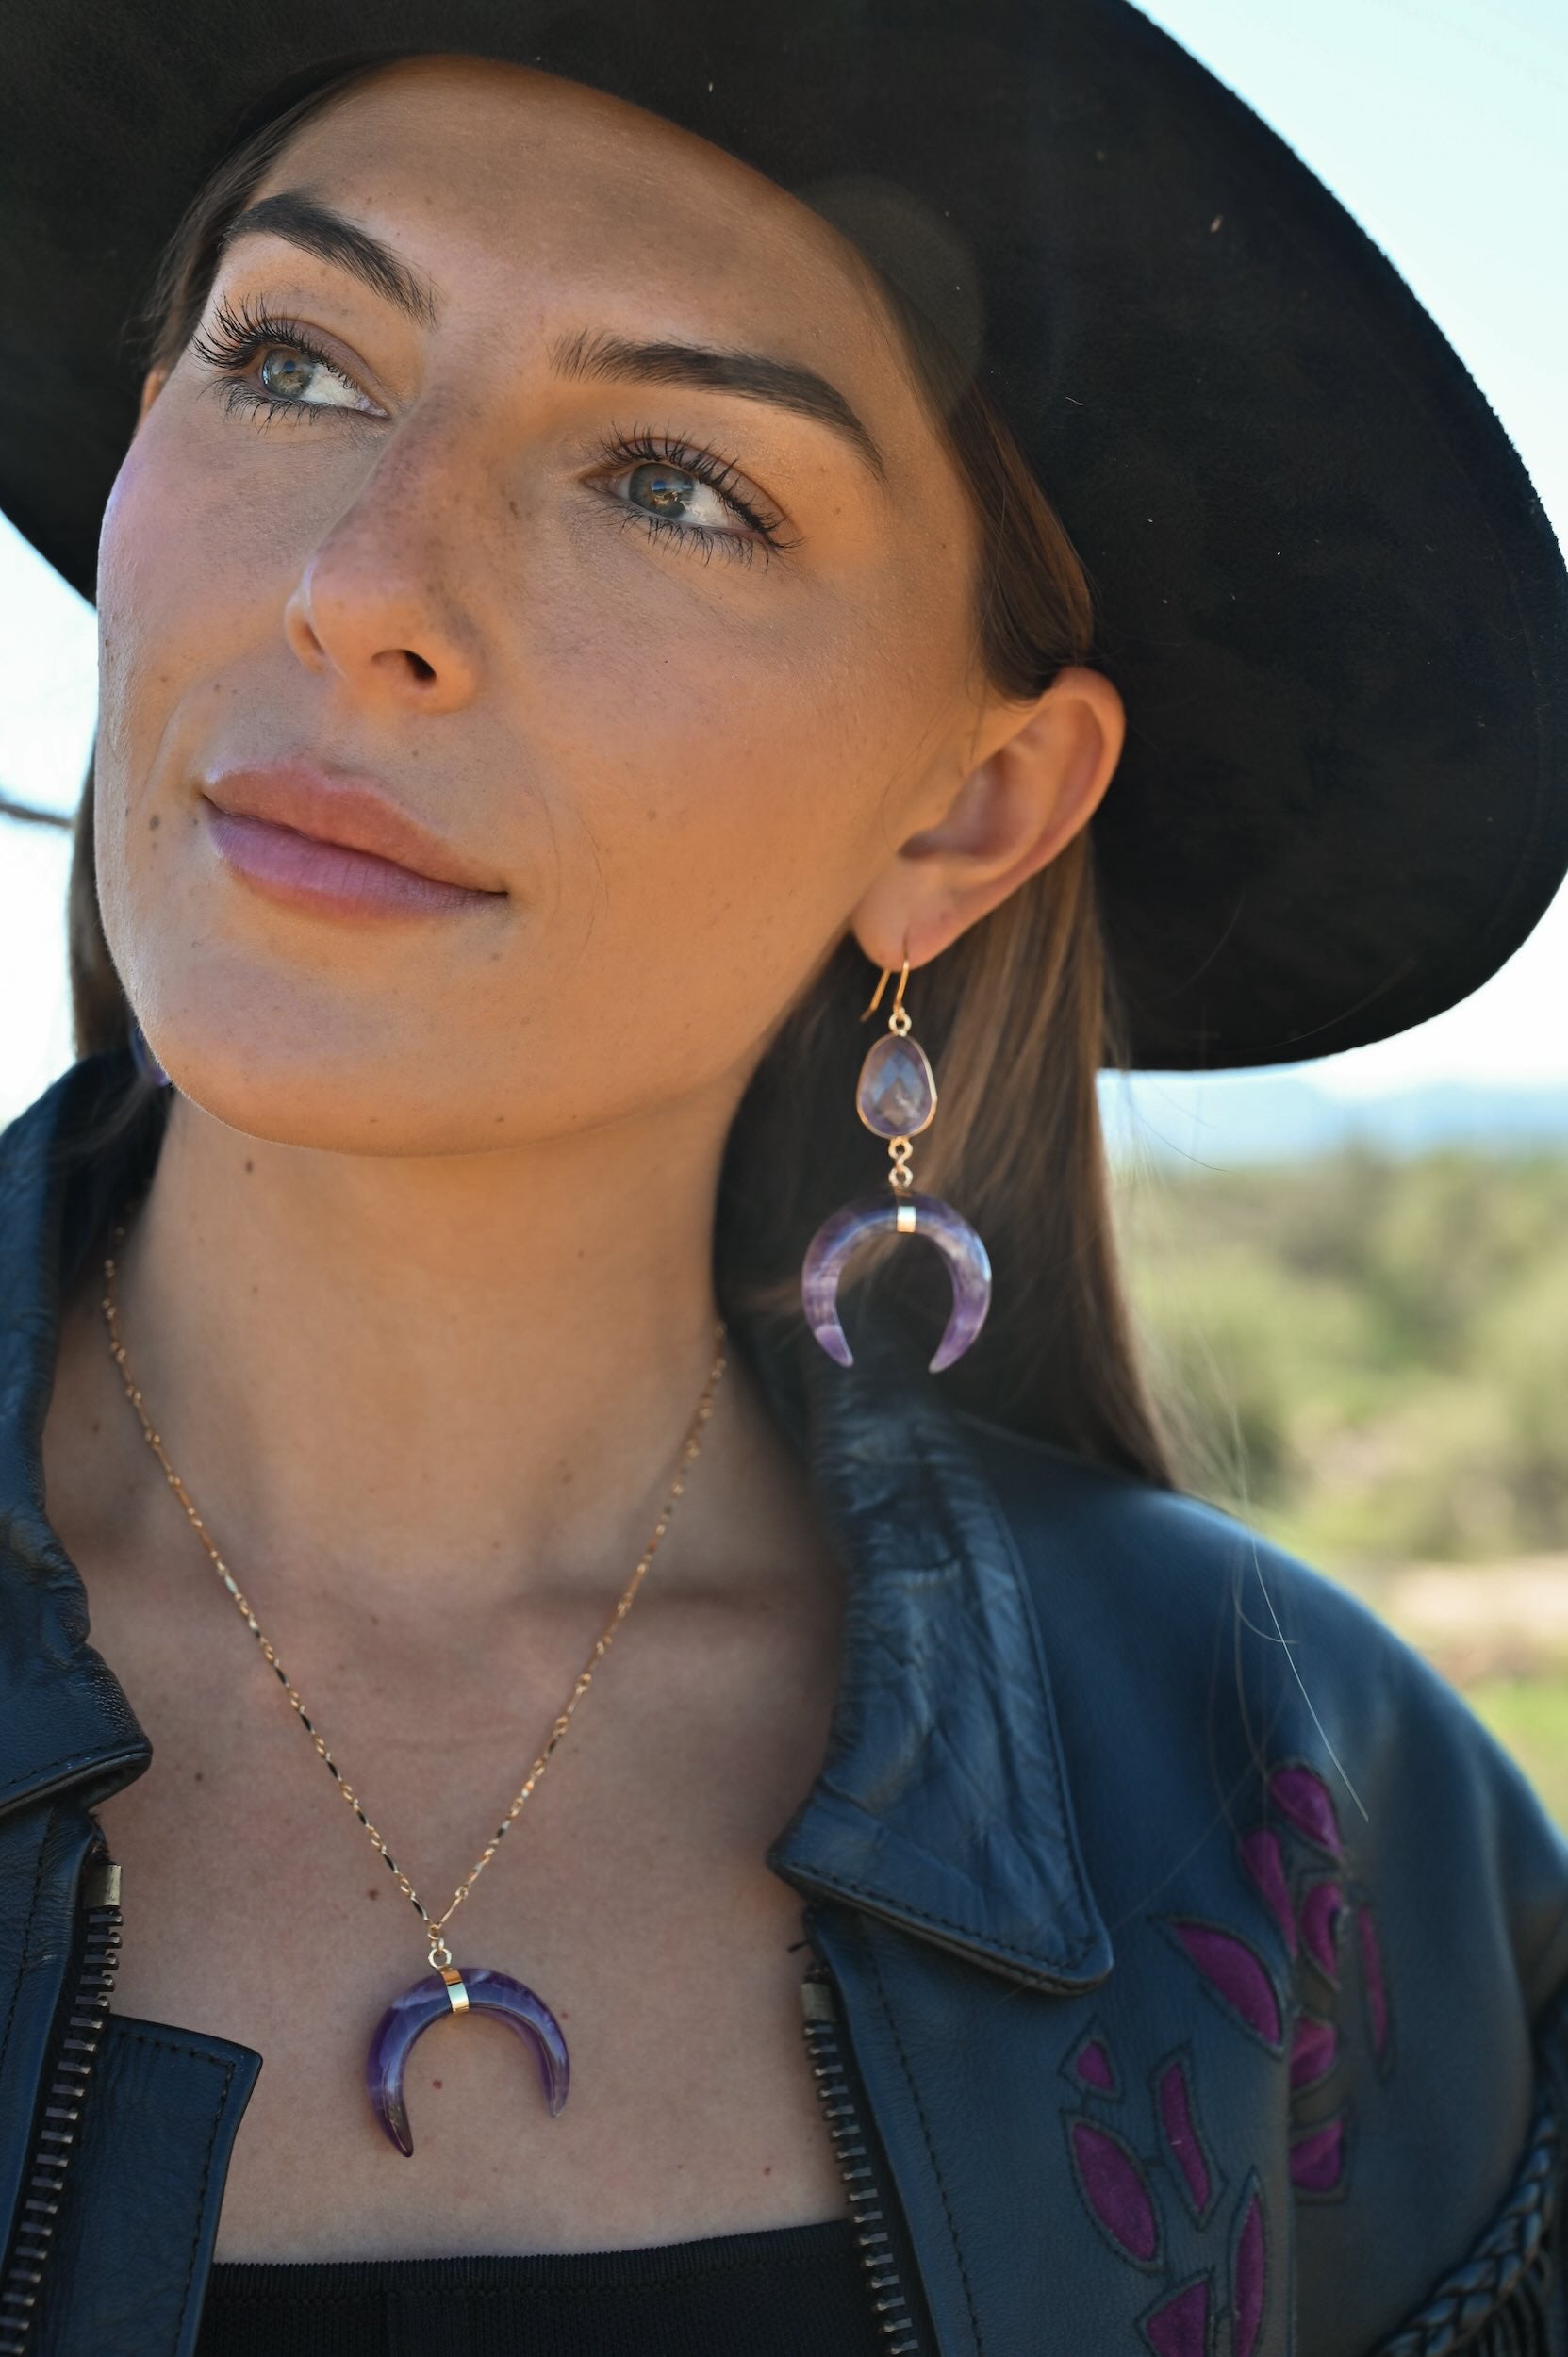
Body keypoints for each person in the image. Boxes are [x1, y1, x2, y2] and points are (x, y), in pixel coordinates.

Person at [1, 6, 1565, 2353]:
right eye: (295, 362)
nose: (361, 580)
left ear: (971, 808)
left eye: (673, 483)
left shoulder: (1315, 1825)